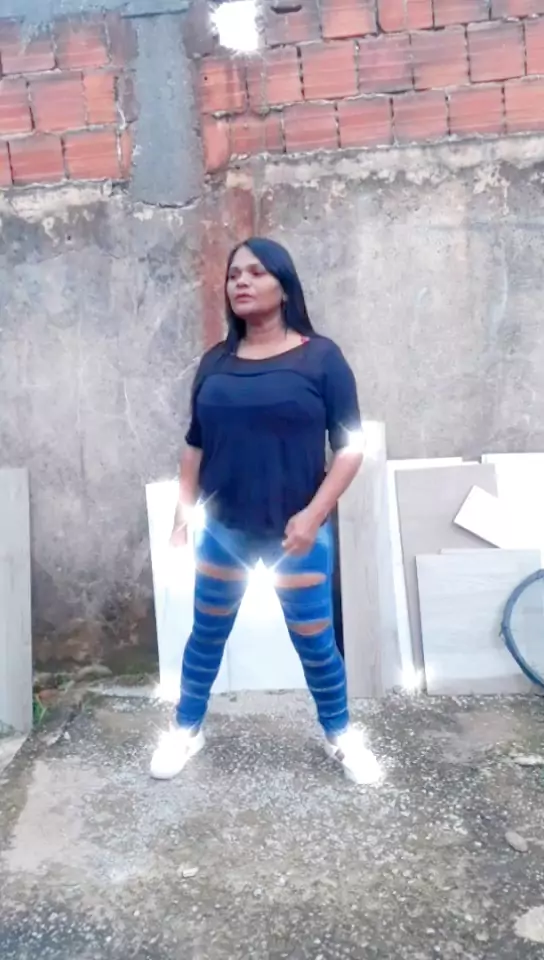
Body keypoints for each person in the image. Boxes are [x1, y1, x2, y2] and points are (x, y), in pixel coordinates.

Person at [150, 237, 380, 785]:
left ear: (284, 284)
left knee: (316, 642)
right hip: (224, 533)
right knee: (206, 636)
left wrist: (314, 516)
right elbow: (194, 447)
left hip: (295, 535)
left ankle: (340, 734)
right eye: (234, 275)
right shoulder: (215, 362)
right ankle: (186, 729)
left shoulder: (321, 358)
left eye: (256, 273)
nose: (242, 282)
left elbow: (351, 447)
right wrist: (182, 519)